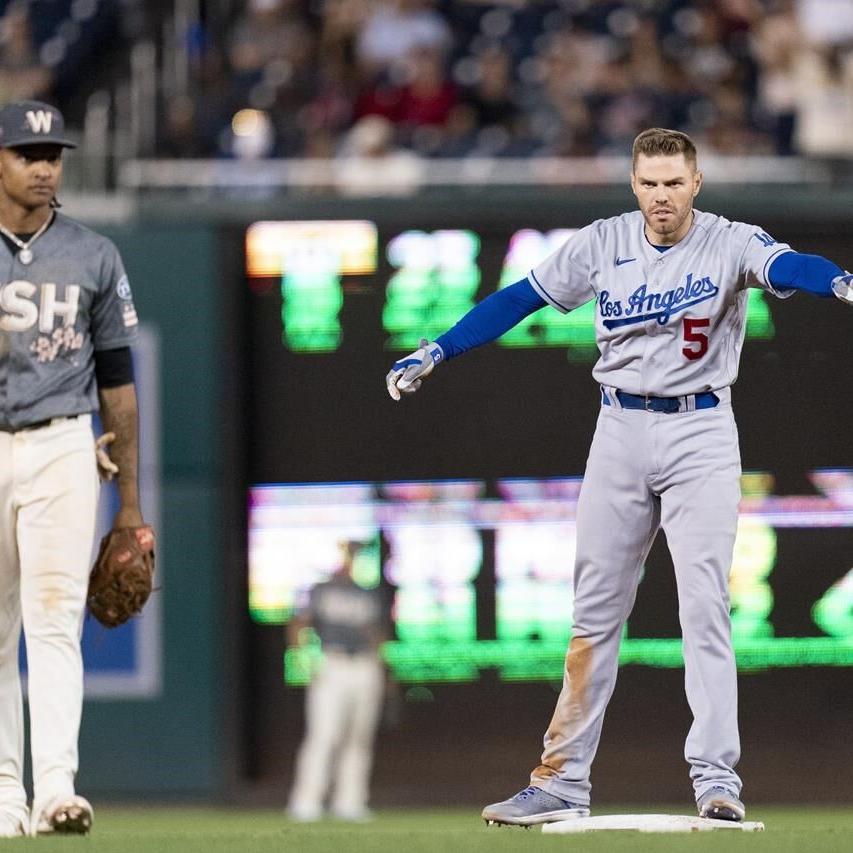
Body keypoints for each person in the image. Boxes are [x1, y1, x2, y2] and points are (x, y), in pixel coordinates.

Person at [386, 127, 852, 826]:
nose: (660, 196)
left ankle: (716, 778)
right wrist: (441, 347)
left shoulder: (727, 238)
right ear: (633, 185)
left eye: (672, 182)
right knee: (593, 611)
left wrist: (841, 280)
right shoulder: (604, 241)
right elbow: (520, 297)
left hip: (700, 428)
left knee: (704, 605)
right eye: (648, 183)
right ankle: (561, 778)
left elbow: (789, 267)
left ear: (695, 184)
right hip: (620, 429)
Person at [0, 100, 148, 836]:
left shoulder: (93, 253)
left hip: (63, 439)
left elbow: (119, 382)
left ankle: (56, 787)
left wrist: (131, 504)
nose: (43, 166)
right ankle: (2, 794)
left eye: (51, 153)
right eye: (27, 152)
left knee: (53, 619)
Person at [287, 541, 389, 822]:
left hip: (364, 665)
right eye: (348, 555)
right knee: (324, 735)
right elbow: (298, 623)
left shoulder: (368, 593)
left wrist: (382, 668)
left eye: (356, 556)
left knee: (359, 737)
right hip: (333, 663)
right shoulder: (321, 589)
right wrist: (303, 660)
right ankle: (306, 801)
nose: (351, 561)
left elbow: (376, 633)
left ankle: (351, 802)